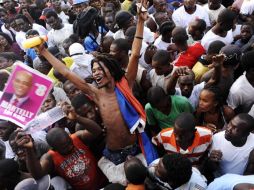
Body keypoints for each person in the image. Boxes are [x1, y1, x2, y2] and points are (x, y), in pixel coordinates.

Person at [34, 0, 157, 183]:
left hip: (135, 148)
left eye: (100, 69)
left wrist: (140, 21)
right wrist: (44, 52)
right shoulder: (96, 93)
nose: (96, 73)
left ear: (111, 70)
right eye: (94, 70)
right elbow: (67, 72)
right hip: (113, 153)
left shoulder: (125, 84)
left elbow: (136, 54)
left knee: (147, 182)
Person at [15, 105, 107, 190]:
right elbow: (37, 174)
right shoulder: (50, 157)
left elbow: (97, 131)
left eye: (69, 142)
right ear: (55, 148)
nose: (70, 146)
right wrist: (29, 149)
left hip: (104, 183)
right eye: (64, 147)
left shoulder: (76, 138)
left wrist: (77, 118)